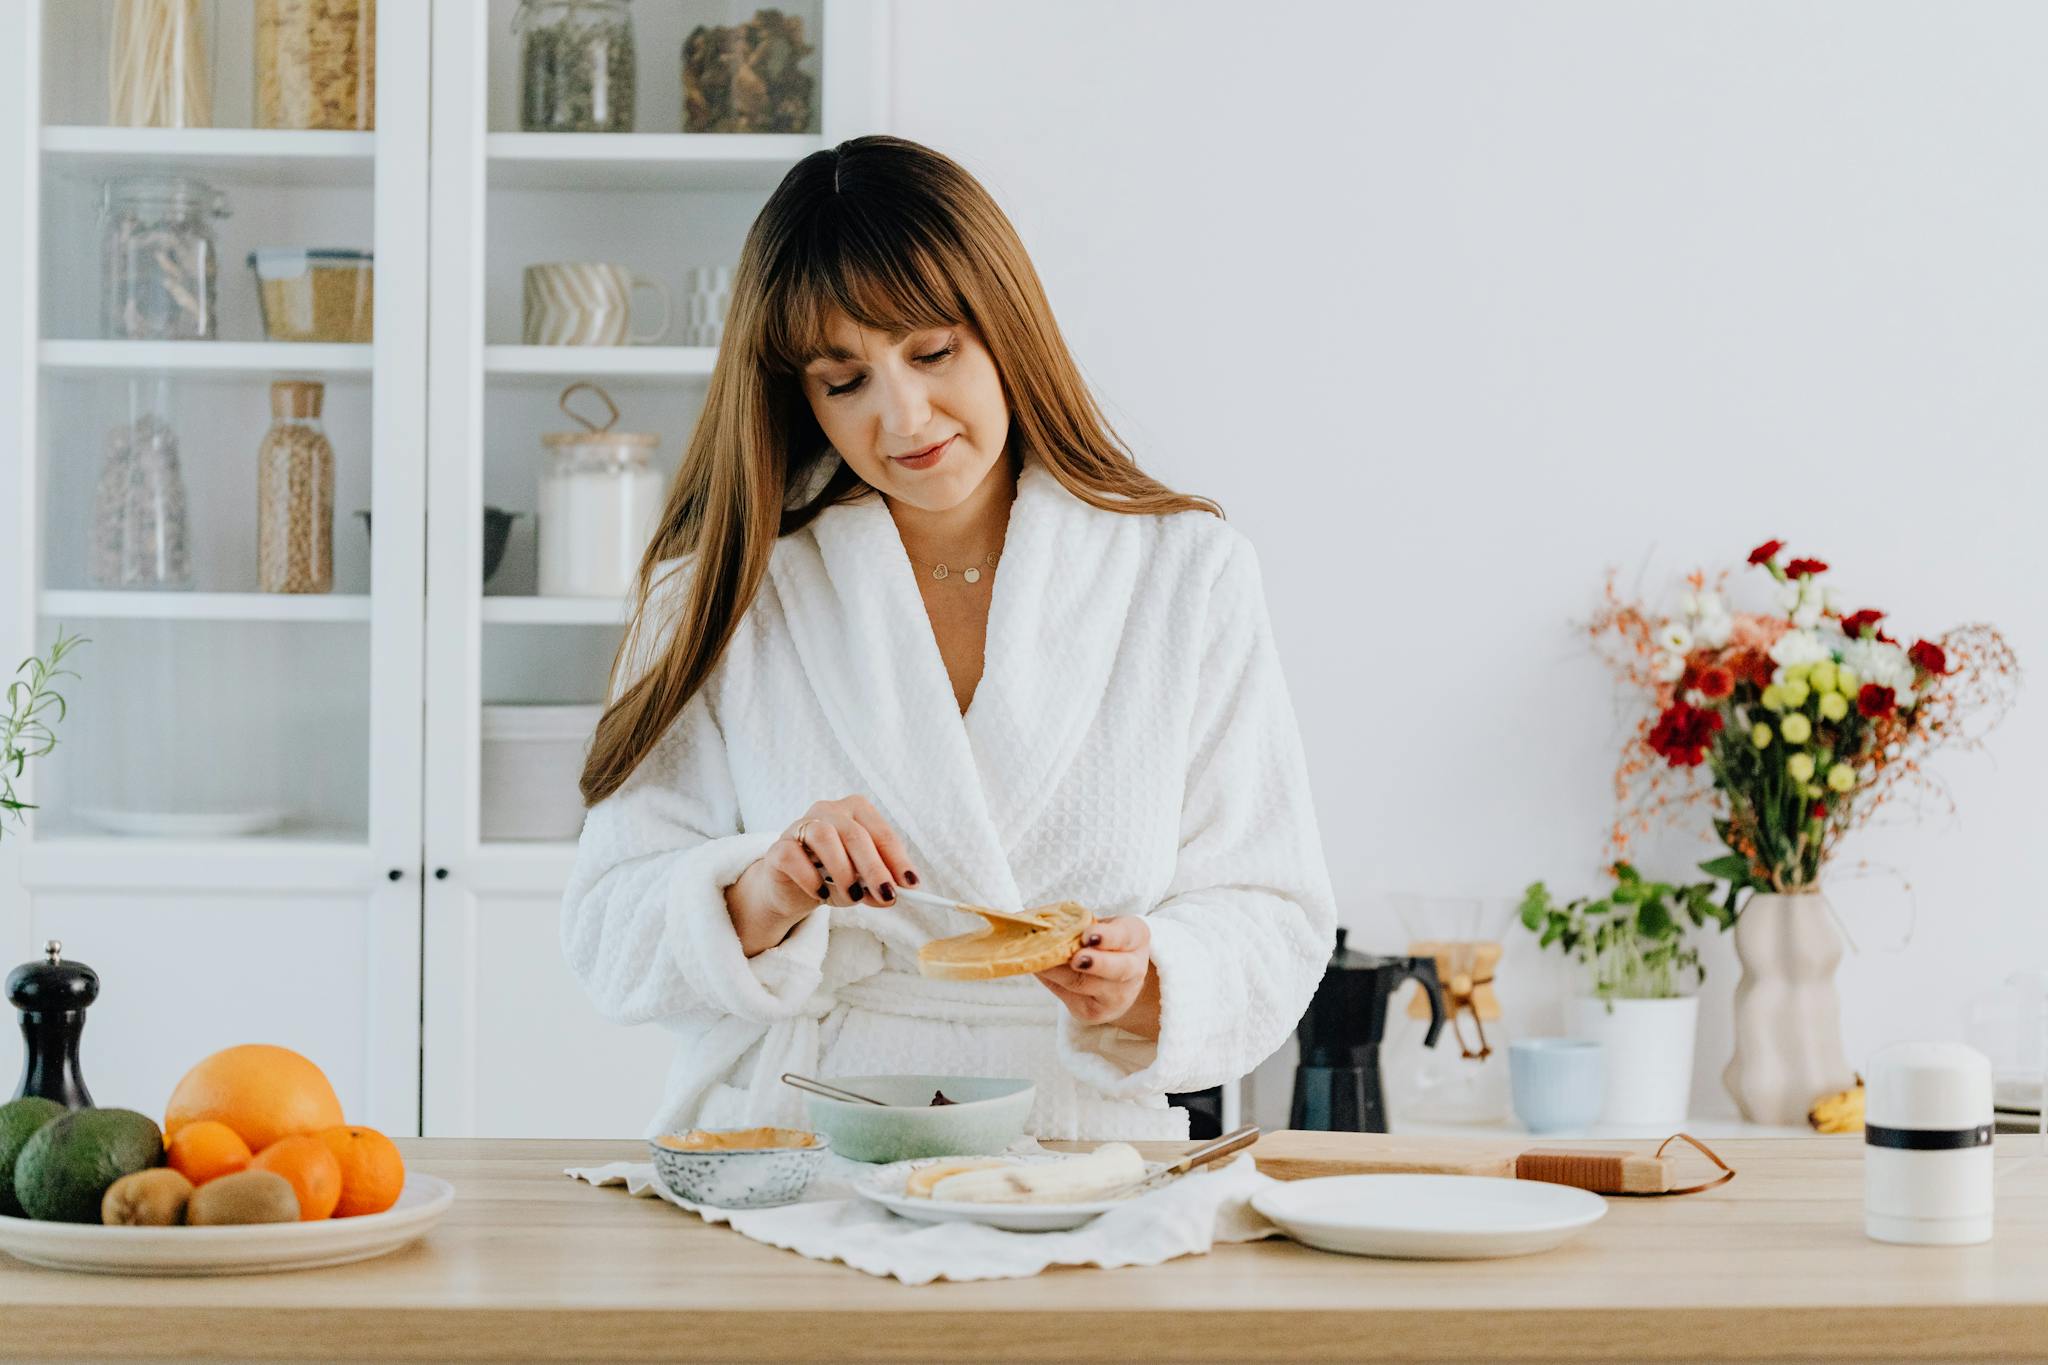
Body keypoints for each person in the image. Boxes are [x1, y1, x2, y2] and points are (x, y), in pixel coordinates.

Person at [561, 135, 1335, 1139]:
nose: (901, 415)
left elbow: (1270, 911)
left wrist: (1142, 982)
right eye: (844, 382)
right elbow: (609, 932)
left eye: (931, 353)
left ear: (1004, 326)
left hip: (1078, 1152)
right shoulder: (721, 592)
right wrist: (771, 886)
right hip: (804, 1140)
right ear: (798, 396)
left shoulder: (1184, 574)